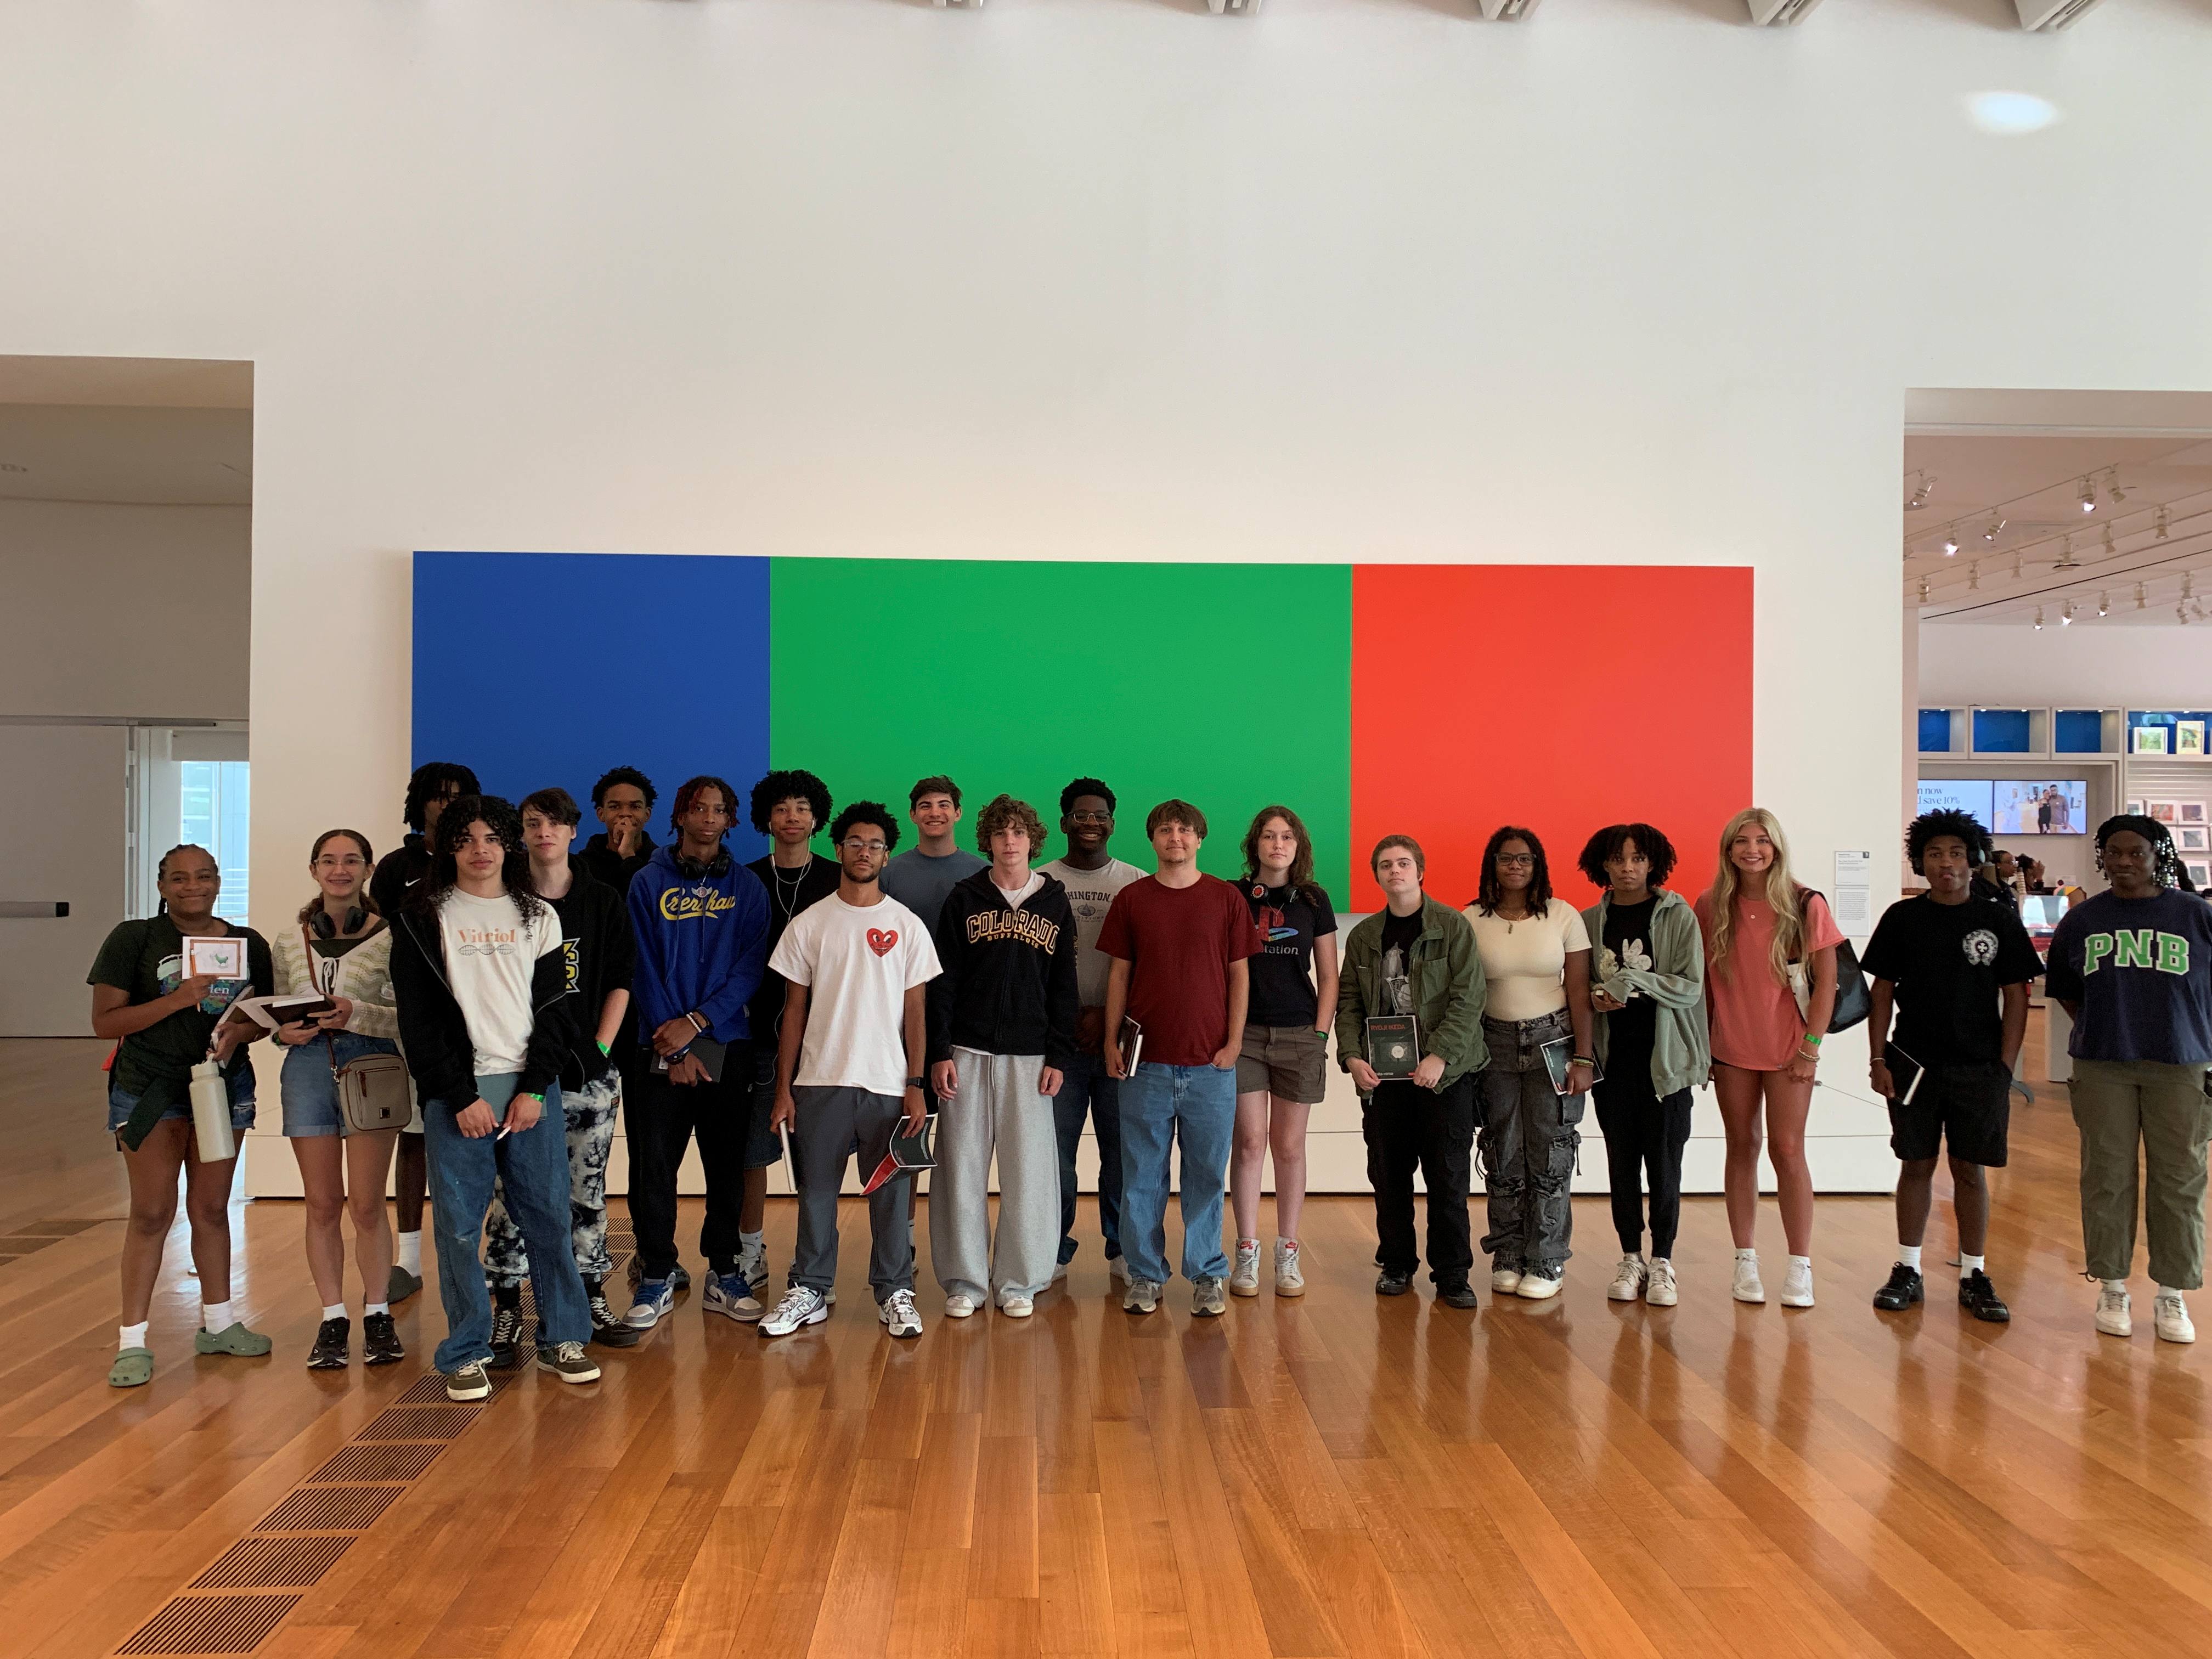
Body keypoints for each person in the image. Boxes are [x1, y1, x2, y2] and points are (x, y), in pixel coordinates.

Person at [388, 795, 601, 1400]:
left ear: (508, 844)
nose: (480, 849)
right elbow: (420, 1021)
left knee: (549, 1216)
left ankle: (563, 1336)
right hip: (459, 1093)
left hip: (530, 1090)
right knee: (458, 1228)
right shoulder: (420, 917)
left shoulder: (539, 917)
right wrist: (458, 1095)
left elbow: (560, 1013)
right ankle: (465, 1351)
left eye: (491, 837)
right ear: (447, 846)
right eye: (466, 838)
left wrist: (535, 1088)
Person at [89, 845, 275, 1387]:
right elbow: (105, 1021)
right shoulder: (134, 939)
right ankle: (132, 1342)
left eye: (203, 876)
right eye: (178, 878)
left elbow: (260, 1017)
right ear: (162, 886)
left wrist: (242, 1032)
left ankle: (218, 1324)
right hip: (148, 1090)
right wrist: (178, 999)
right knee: (150, 1212)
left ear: (219, 882)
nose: (192, 886)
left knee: (213, 1208)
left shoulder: (248, 943)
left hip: (224, 1088)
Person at [764, 802, 941, 1340]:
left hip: (889, 1087)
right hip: (819, 1084)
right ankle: (810, 1289)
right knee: (817, 1193)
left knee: (889, 1194)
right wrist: (783, 1089)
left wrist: (915, 1086)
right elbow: (793, 1011)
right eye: (856, 843)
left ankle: (896, 1292)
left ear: (887, 856)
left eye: (876, 845)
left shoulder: (905, 926)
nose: (865, 853)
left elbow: (916, 1013)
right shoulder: (809, 924)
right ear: (838, 849)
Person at [480, 788, 642, 1355]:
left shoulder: (601, 899)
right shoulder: (503, 901)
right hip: (516, 1072)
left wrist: (601, 1046)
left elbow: (623, 977)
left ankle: (589, 1297)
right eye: (532, 823)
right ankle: (506, 1307)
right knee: (512, 1192)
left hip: (587, 1073)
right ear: (521, 835)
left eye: (555, 823)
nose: (544, 832)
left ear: (575, 832)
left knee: (586, 1191)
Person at [1861, 810, 2040, 1324]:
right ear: (1921, 862)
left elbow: (2017, 996)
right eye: (1935, 854)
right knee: (1915, 1165)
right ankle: (1908, 1268)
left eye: (1957, 854)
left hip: (1979, 1068)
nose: (1946, 864)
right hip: (1913, 1064)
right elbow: (1882, 992)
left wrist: (2004, 1068)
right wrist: (1878, 1058)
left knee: (1969, 1168)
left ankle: (1974, 1274)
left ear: (1974, 860)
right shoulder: (1903, 918)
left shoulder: (1998, 919)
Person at [2045, 814, 2212, 1344]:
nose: (2123, 862)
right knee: (2107, 1176)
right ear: (2101, 858)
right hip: (2103, 1064)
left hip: (2181, 1063)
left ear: (2157, 854)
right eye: (2113, 853)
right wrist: (2106, 1027)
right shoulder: (2084, 919)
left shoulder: (2195, 915)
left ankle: (2172, 1294)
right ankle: (2112, 1284)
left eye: (2135, 853)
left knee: (2181, 1178)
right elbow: (2069, 992)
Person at [1100, 800, 1260, 1318]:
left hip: (1210, 1067)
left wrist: (1233, 1044)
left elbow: (1240, 975)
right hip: (1144, 1066)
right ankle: (1145, 1276)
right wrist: (1110, 1042)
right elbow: (1119, 975)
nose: (1175, 837)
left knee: (1207, 1175)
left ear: (1200, 838)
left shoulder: (1226, 899)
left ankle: (1208, 1274)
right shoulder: (1132, 899)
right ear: (1152, 840)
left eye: (1185, 830)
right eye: (1166, 830)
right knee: (1141, 1175)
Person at [623, 775, 772, 1329]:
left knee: (726, 1168)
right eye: (698, 808)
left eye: (719, 810)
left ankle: (725, 1271)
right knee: (653, 1168)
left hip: (725, 1045)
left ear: (731, 820)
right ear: (681, 816)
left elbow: (751, 966)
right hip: (656, 1044)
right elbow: (639, 961)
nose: (709, 818)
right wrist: (673, 1035)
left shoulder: (748, 889)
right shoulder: (646, 882)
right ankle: (658, 1272)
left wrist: (699, 1023)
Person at [927, 795, 1080, 1318]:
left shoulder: (1054, 903)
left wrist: (1059, 1054)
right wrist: (939, 1051)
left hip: (1031, 1058)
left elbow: (1064, 988)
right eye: (1000, 833)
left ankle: (1019, 1280)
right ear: (987, 841)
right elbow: (941, 983)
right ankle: (965, 1281)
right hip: (967, 1053)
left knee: (1029, 1174)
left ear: (1032, 841)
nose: (1010, 842)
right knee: (960, 1170)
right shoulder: (964, 899)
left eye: (1018, 834)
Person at [1696, 806, 1842, 1309]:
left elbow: (1828, 985)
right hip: (1731, 1049)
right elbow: (1706, 987)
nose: (1751, 849)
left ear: (1776, 847)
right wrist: (1705, 1049)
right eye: (1741, 841)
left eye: (1761, 840)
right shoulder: (1711, 904)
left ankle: (1800, 1266)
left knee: (1787, 1149)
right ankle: (1746, 1260)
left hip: (1789, 1052)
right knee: (1742, 1145)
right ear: (1728, 850)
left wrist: (1812, 1048)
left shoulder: (1806, 903)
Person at [271, 830, 405, 1369]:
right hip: (306, 1070)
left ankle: (378, 1312)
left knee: (368, 1204)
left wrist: (358, 1014)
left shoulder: (393, 938)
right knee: (322, 1204)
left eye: (351, 860)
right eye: (329, 860)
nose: (340, 869)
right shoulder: (288, 940)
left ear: (368, 869)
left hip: (372, 1066)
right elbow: (276, 1012)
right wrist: (286, 1032)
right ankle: (332, 1318)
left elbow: (408, 1020)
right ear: (313, 870)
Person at [1335, 835, 1488, 1309]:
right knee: (1389, 1176)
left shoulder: (1452, 926)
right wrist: (1352, 1057)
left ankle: (1452, 1274)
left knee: (1448, 1177)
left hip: (1445, 1076)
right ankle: (1397, 1263)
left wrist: (1439, 1055)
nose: (1394, 872)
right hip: (1384, 1080)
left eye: (1403, 864)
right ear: (1377, 875)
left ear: (1420, 871)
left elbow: (1469, 998)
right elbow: (1348, 1002)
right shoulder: (1364, 936)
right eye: (1385, 865)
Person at [1577, 823, 1707, 1308]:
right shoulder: (1590, 920)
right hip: (1614, 1065)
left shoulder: (1678, 915)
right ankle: (1630, 1257)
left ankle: (1663, 1262)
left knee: (1666, 1166)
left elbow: (1690, 986)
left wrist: (1631, 980)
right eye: (1617, 859)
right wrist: (1597, 994)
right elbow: (1583, 986)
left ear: (1653, 863)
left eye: (1637, 858)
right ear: (1603, 865)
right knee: (1621, 1164)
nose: (1627, 868)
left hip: (1666, 1065)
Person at [1465, 827, 1596, 1301]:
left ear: (1538, 864)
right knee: (1502, 1150)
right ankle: (1508, 1252)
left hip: (1554, 1041)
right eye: (1506, 858)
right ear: (1492, 864)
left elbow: (1580, 991)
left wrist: (1584, 1056)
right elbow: (1463, 993)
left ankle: (1546, 1258)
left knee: (1552, 1151)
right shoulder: (1472, 919)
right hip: (1493, 1044)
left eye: (1525, 859)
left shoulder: (1564, 917)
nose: (1515, 866)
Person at [369, 759, 481, 1305]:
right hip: (417, 1020)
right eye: (437, 795)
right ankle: (408, 1260)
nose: (446, 803)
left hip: (484, 1022)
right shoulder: (396, 868)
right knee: (414, 1136)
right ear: (421, 803)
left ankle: (492, 1259)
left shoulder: (486, 859)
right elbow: (377, 938)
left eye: (457, 795)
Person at [1037, 778, 1146, 1282]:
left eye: (1099, 815)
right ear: (1063, 823)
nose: (1090, 823)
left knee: (1120, 1152)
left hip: (1118, 1042)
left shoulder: (1136, 882)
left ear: (1112, 824)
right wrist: (1068, 1019)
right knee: (1053, 1154)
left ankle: (1122, 1247)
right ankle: (1054, 1249)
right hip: (1057, 1042)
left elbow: (1148, 967)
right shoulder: (1038, 882)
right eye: (1080, 815)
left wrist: (1108, 1019)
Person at [1229, 805, 1339, 1298]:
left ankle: (1288, 1249)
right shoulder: (1232, 896)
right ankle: (1247, 1250)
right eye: (1269, 836)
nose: (1278, 844)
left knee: (1289, 1148)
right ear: (1255, 844)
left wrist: (1320, 1035)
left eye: (1287, 837)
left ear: (1299, 846)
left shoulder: (1314, 901)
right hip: (1246, 1035)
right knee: (1250, 1143)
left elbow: (1330, 975)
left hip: (1299, 1035)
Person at [747, 768, 843, 1294]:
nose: (792, 817)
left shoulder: (837, 878)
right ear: (767, 816)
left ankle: (814, 1264)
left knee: (817, 1159)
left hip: (826, 1040)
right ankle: (750, 1249)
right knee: (755, 1150)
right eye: (782, 807)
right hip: (760, 1035)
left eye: (802, 807)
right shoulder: (745, 878)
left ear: (816, 817)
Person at [881, 775, 988, 934]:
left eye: (944, 805)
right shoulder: (887, 873)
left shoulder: (984, 873)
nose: (935, 813)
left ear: (958, 813)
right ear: (913, 815)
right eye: (925, 806)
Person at [580, 765, 657, 892]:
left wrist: (628, 855)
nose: (625, 813)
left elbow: (653, 902)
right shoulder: (582, 867)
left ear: (647, 815)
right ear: (601, 814)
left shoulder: (663, 863)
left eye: (635, 807)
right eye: (615, 807)